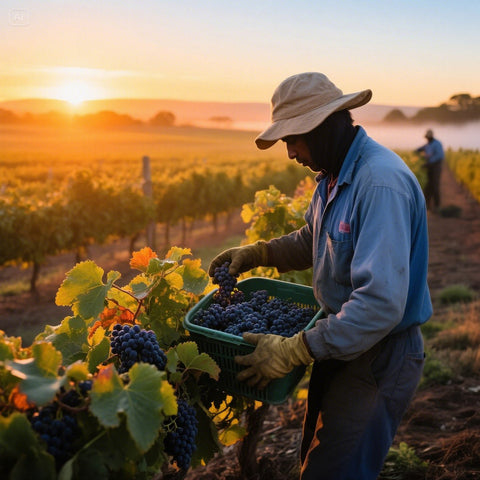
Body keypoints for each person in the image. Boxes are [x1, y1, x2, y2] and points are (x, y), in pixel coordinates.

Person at [209, 72, 432, 480]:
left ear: (321, 127)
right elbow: (315, 238)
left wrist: (295, 350)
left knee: (335, 471)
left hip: (380, 355)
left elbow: (380, 305)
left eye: (292, 140)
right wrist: (261, 253)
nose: (290, 153)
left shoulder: (378, 184)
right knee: (318, 462)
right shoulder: (333, 177)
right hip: (345, 342)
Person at [415, 129, 444, 211]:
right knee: (429, 185)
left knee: (435, 185)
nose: (427, 139)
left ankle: (437, 206)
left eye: (428, 137)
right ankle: (427, 204)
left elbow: (439, 156)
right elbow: (422, 148)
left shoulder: (437, 144)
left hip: (436, 166)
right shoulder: (428, 144)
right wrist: (417, 150)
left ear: (431, 137)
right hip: (430, 166)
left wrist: (429, 163)